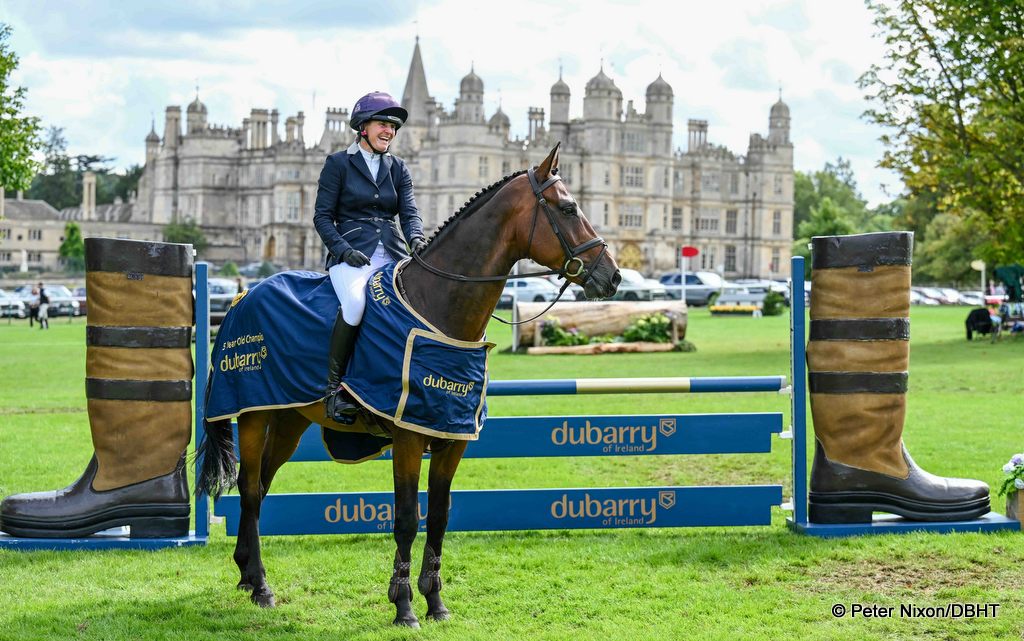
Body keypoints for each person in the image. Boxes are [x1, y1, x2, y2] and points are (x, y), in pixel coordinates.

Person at [313, 91, 427, 423]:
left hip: (392, 253)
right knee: (356, 305)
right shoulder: (338, 164)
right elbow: (322, 217)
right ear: (363, 127)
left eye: (393, 127)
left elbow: (409, 214)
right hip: (351, 254)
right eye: (383, 124)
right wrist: (342, 250)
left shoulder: (399, 167)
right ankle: (334, 391)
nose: (389, 131)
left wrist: (417, 240)